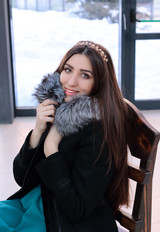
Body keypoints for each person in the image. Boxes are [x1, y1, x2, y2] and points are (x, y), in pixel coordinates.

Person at [0, 41, 129, 232]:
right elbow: (22, 179)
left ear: (99, 83)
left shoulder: (98, 131)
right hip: (37, 203)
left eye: (85, 75)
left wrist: (51, 148)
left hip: (65, 223)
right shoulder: (59, 107)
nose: (70, 82)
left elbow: (78, 209)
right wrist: (38, 132)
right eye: (68, 70)